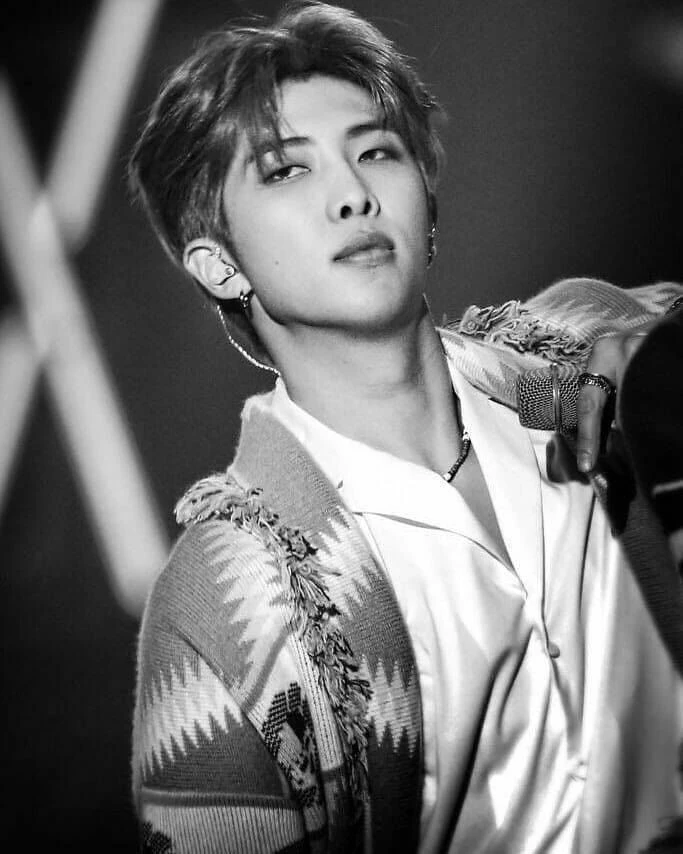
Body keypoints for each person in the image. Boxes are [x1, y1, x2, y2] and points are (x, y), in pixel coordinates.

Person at [127, 2, 683, 851]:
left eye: (376, 151)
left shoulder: (579, 376)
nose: (352, 194)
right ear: (220, 263)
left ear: (426, 201)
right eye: (286, 170)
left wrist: (650, 368)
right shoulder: (228, 600)